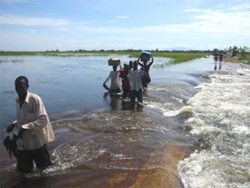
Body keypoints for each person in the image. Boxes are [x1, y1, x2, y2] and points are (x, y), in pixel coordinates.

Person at [6, 76, 55, 174]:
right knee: (23, 171)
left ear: (27, 86)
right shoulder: (17, 100)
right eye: (17, 86)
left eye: (21, 86)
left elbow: (43, 119)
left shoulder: (34, 99)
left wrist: (24, 128)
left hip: (37, 143)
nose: (19, 89)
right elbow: (24, 118)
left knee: (45, 170)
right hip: (24, 143)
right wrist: (14, 124)